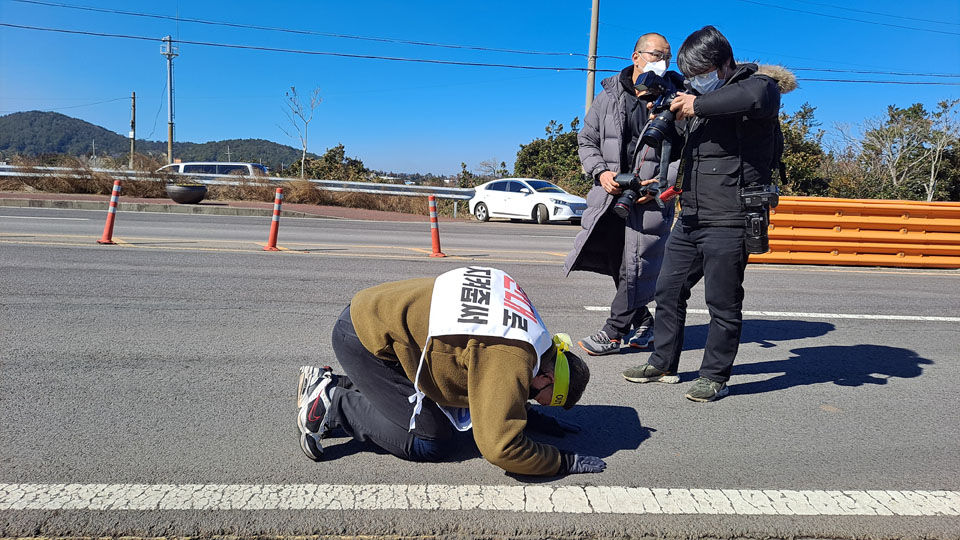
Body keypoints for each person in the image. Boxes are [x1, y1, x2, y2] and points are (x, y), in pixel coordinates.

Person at [622, 26, 796, 402]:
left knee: (723, 302)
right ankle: (663, 363)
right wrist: (673, 113)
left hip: (732, 216)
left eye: (700, 73)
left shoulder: (760, 87)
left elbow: (753, 96)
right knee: (668, 290)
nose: (694, 82)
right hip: (692, 215)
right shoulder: (702, 100)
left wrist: (694, 105)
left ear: (721, 65)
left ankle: (714, 376)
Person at [296, 266, 605, 477]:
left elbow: (509, 381)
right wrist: (563, 462)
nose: (531, 400)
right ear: (547, 377)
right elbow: (500, 449)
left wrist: (532, 418)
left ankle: (334, 382)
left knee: (445, 418)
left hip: (379, 314)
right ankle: (334, 403)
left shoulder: (533, 336)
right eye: (538, 398)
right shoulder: (510, 357)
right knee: (431, 440)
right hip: (367, 340)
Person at [566, 32, 679, 356]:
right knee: (618, 261)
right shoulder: (609, 95)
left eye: (666, 56)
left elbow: (687, 154)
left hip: (650, 198)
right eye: (656, 55)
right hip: (611, 195)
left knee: (636, 266)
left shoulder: (677, 94)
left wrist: (661, 185)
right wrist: (601, 172)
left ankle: (614, 332)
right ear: (636, 56)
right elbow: (586, 140)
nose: (663, 62)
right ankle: (644, 322)